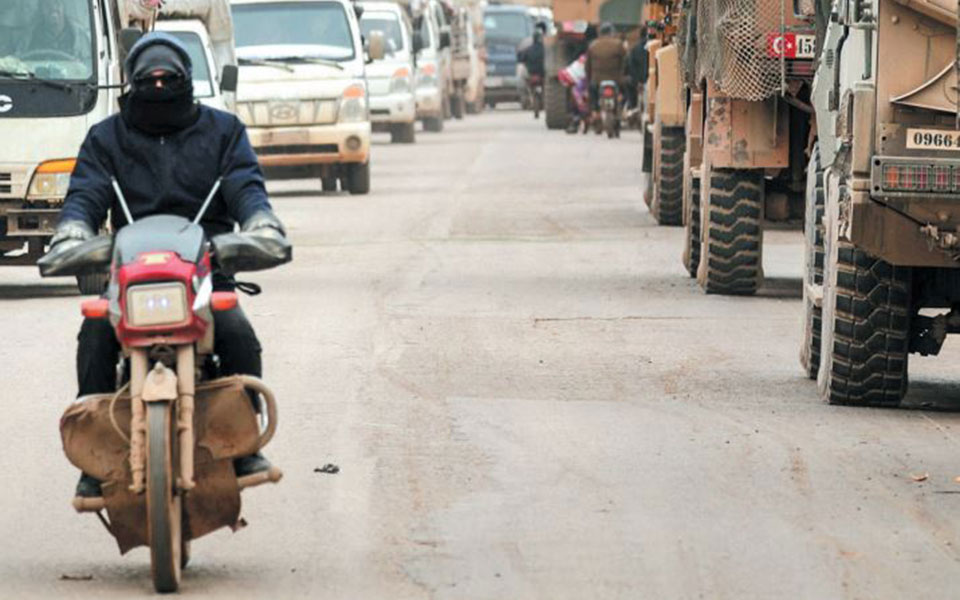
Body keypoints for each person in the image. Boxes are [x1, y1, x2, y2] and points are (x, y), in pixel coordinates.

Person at [45, 32, 288, 498]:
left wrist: (260, 222)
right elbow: (86, 194)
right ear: (131, 85)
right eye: (149, 80)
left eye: (168, 79)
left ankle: (243, 446)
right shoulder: (106, 138)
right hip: (129, 272)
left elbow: (245, 186)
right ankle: (95, 457)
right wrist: (73, 230)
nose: (158, 86)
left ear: (186, 81)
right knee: (95, 336)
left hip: (206, 266)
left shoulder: (224, 131)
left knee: (237, 335)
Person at [585, 22, 625, 124]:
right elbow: (624, 61)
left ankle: (595, 112)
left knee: (593, 92)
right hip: (616, 79)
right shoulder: (618, 44)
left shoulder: (593, 45)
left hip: (597, 79)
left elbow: (587, 65)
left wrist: (589, 79)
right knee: (623, 93)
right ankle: (623, 109)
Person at [23, 0, 89, 57]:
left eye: (57, 3)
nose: (53, 8)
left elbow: (88, 63)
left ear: (64, 7)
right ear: (41, 10)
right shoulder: (30, 37)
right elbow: (20, 61)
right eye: (47, 5)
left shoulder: (80, 36)